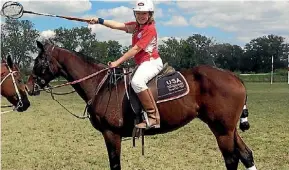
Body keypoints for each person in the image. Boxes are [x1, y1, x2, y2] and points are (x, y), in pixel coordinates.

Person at [88, 0, 163, 129]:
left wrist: (117, 62)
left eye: (144, 13)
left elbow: (135, 50)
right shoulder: (136, 27)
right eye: (138, 13)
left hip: (151, 62)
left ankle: (153, 117)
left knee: (137, 82)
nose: (141, 16)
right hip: (142, 64)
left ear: (150, 14)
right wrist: (99, 20)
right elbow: (117, 25)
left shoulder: (150, 29)